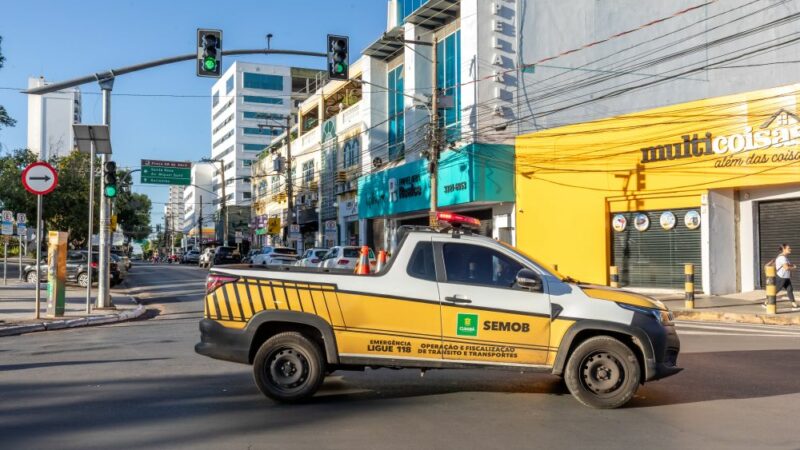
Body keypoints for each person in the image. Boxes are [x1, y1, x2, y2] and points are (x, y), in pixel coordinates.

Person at [768, 244, 798, 309]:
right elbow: (786, 267)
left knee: (790, 289)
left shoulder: (785, 257)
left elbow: (787, 266)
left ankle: (794, 305)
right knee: (775, 290)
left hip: (786, 277)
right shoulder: (782, 258)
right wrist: (793, 268)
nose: (790, 249)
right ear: (784, 249)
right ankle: (767, 302)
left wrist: (791, 268)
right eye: (788, 248)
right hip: (782, 277)